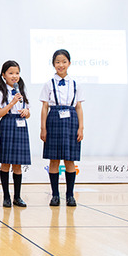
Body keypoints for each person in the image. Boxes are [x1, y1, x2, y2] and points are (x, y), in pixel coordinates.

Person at [39, 49, 84, 207]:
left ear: (69, 63)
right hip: (54, 119)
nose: (61, 65)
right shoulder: (48, 84)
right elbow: (45, 107)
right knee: (54, 160)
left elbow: (79, 107)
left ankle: (70, 195)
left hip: (71, 121)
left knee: (70, 160)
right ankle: (55, 195)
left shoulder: (75, 84)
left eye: (64, 61)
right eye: (58, 62)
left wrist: (81, 128)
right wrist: (43, 128)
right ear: (53, 64)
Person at [0, 60, 31, 208]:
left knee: (18, 165)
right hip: (7, 124)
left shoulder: (22, 91)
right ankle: (6, 197)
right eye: (11, 73)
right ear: (4, 75)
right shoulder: (0, 92)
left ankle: (17, 196)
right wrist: (12, 103)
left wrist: (26, 112)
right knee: (5, 163)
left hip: (21, 126)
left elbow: (28, 113)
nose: (14, 76)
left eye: (17, 73)